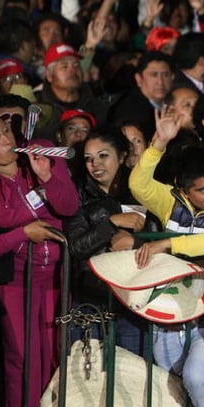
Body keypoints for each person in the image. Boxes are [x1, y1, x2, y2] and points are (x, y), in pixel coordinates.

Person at [0, 108, 79, 407]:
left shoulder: (39, 153)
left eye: (6, 131)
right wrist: (22, 234)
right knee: (24, 362)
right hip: (17, 284)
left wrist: (47, 177)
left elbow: (69, 205)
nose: (6, 140)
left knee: (58, 357)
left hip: (57, 277)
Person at [129, 108, 204, 407]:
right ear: (183, 189)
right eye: (203, 190)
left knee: (197, 377)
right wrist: (158, 144)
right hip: (172, 312)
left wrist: (169, 243)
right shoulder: (169, 200)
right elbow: (139, 185)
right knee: (171, 383)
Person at [64, 125, 161, 356]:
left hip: (133, 300)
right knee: (88, 378)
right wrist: (111, 223)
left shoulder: (142, 189)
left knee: (133, 375)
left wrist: (135, 244)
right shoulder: (77, 192)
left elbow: (161, 240)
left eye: (103, 156)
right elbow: (76, 246)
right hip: (90, 298)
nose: (95, 164)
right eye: (88, 158)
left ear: (122, 155)